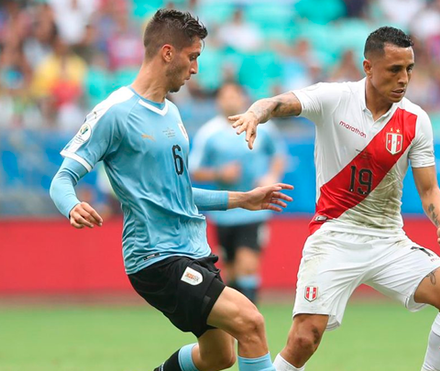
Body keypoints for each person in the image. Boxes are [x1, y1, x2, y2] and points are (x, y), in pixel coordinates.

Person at [48, 9, 291, 371]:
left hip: (194, 251)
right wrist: (71, 206)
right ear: (167, 53)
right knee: (251, 322)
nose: (195, 69)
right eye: (192, 57)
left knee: (218, 357)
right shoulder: (115, 112)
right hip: (156, 256)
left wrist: (244, 199)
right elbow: (62, 179)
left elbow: (178, 194)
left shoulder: (172, 114)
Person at [230, 26, 440, 371]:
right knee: (304, 338)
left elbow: (429, 189)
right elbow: (279, 102)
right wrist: (256, 113)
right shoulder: (334, 98)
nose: (404, 79)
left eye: (409, 69)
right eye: (394, 69)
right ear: (368, 67)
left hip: (389, 241)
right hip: (334, 236)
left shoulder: (416, 121)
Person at [189, 81, 288, 305]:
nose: (230, 100)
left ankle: (251, 320)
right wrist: (219, 173)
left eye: (234, 95)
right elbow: (194, 170)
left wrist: (271, 177)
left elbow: (278, 156)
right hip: (225, 211)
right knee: (231, 271)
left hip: (255, 211)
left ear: (243, 98)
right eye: (225, 96)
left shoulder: (263, 127)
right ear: (218, 102)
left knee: (247, 265)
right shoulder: (209, 133)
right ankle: (237, 322)